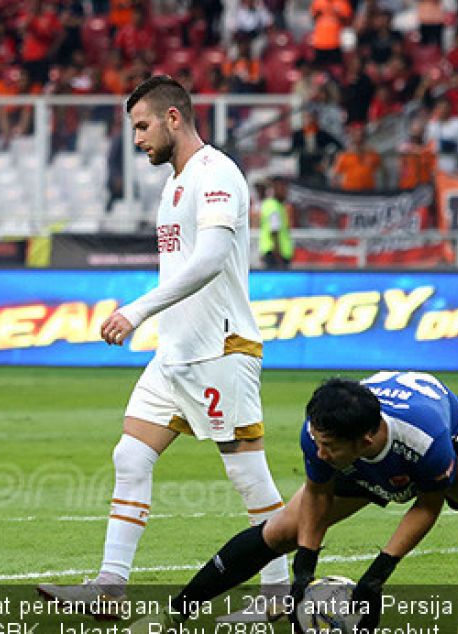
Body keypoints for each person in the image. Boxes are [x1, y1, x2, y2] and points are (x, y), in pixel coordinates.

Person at [36, 75, 291, 621]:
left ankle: (277, 592)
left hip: (220, 347)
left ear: (174, 118)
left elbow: (211, 260)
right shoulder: (175, 183)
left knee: (246, 473)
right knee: (130, 455)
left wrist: (136, 310)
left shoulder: (216, 173)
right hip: (174, 354)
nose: (137, 139)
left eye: (143, 125)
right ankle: (110, 586)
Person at [127, 371, 458, 631]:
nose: (319, 451)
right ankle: (174, 612)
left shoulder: (423, 440)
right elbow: (317, 494)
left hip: (452, 433)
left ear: (365, 442)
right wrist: (303, 571)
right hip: (365, 462)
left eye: (329, 446)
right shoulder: (320, 433)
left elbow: (427, 504)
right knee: (279, 531)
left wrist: (376, 576)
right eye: (317, 441)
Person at [259, 178, 293, 270]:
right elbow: (274, 231)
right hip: (276, 254)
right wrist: (278, 257)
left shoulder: (277, 205)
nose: (285, 192)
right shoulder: (273, 207)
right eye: (282, 189)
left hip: (275, 253)